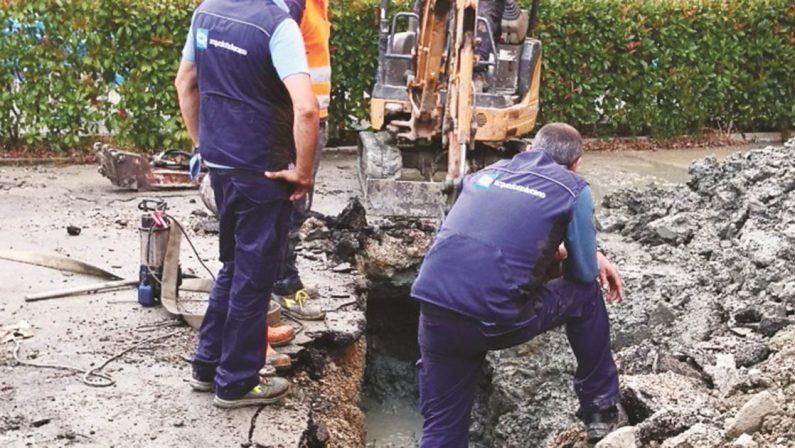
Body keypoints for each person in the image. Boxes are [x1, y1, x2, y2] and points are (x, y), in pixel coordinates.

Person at [411, 123, 625, 446]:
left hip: (435, 308)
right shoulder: (571, 187)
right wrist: (591, 255)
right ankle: (600, 409)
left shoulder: (488, 174)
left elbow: (488, 242)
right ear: (576, 163)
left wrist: (566, 254)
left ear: (529, 149)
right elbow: (581, 274)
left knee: (442, 429)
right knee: (586, 294)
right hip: (493, 318)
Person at [174, 0, 319, 408]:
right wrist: (304, 173)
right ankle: (236, 382)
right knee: (254, 276)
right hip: (263, 171)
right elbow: (307, 109)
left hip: (220, 165)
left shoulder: (206, 11)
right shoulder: (278, 26)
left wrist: (203, 144)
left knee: (234, 264)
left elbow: (185, 81)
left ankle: (207, 366)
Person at [271, 0, 332, 321]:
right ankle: (283, 284)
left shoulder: (317, 5)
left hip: (311, 117)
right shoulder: (293, 6)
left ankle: (280, 274)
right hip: (297, 120)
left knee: (297, 206)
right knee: (291, 205)